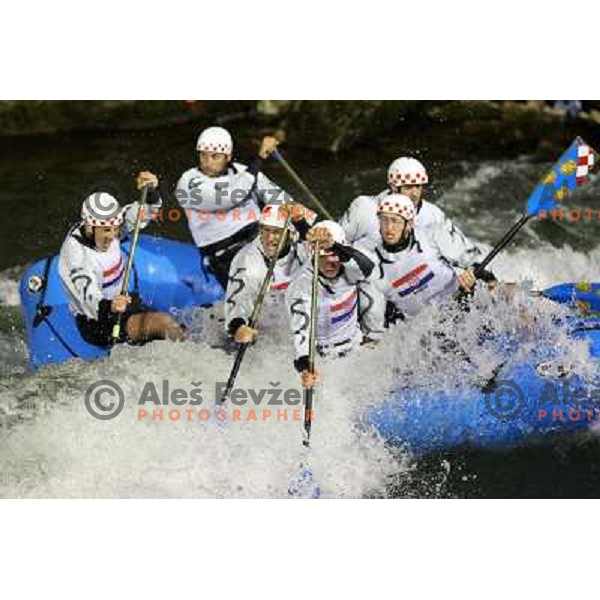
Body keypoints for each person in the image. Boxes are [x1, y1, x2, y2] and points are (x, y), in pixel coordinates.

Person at [59, 172, 186, 347]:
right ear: (89, 227)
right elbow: (87, 295)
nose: (112, 236)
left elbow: (138, 214)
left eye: (115, 229)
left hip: (124, 302)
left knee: (177, 327)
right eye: (106, 231)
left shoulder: (109, 227)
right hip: (98, 321)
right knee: (163, 323)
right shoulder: (75, 254)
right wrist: (109, 306)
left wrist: (150, 192)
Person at [175, 126, 293, 288]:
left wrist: (302, 220)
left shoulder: (242, 171)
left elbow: (278, 198)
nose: (208, 162)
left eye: (215, 156)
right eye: (203, 156)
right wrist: (260, 158)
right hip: (224, 253)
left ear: (228, 156)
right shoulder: (188, 182)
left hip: (259, 238)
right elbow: (231, 195)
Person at [357, 194, 476, 339]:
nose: (389, 228)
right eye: (384, 220)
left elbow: (474, 261)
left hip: (460, 304)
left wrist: (470, 273)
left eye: (395, 221)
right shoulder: (370, 259)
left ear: (409, 224)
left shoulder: (433, 235)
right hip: (424, 332)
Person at [340, 156, 487, 271]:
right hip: (372, 280)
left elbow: (464, 252)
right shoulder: (364, 208)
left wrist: (482, 271)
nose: (415, 193)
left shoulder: (432, 215)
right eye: (409, 187)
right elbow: (336, 242)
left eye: (418, 186)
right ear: (393, 187)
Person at [286, 221, 375, 389]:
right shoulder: (302, 285)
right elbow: (301, 331)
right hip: (325, 359)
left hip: (357, 347)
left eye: (334, 256)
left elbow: (367, 267)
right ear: (313, 256)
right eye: (322, 256)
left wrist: (333, 246)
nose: (329, 263)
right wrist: (305, 367)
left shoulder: (351, 269)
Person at [225, 203, 313, 343]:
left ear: (291, 235)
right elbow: (240, 297)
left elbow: (329, 255)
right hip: (263, 329)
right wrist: (238, 326)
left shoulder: (301, 249)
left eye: (277, 232)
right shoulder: (248, 259)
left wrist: (302, 224)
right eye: (266, 230)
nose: (269, 238)